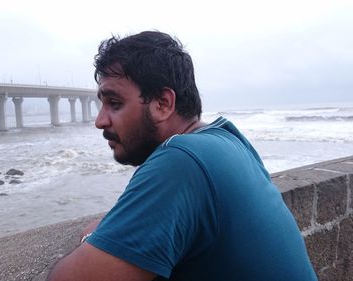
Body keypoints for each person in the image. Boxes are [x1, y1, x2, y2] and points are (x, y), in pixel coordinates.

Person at [47, 31, 317, 281]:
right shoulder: (226, 139)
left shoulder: (181, 161)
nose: (99, 121)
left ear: (163, 104)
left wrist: (92, 238)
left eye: (115, 104)